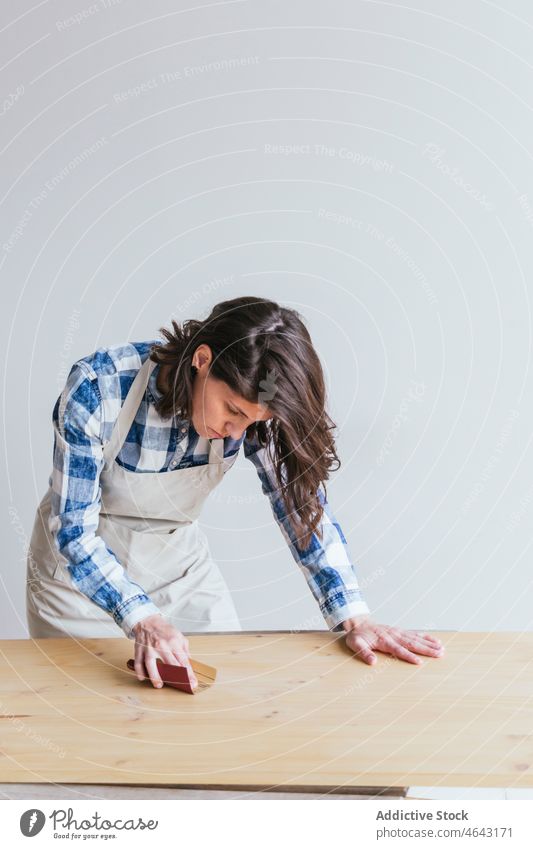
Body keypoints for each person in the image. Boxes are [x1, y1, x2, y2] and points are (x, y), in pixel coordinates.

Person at [26, 295, 444, 689]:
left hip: (179, 572)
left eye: (251, 422)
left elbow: (299, 507)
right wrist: (142, 618)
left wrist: (354, 616)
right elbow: (74, 534)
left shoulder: (254, 403)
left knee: (220, 702)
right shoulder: (100, 387)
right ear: (202, 360)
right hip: (76, 585)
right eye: (233, 412)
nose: (235, 433)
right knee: (94, 714)